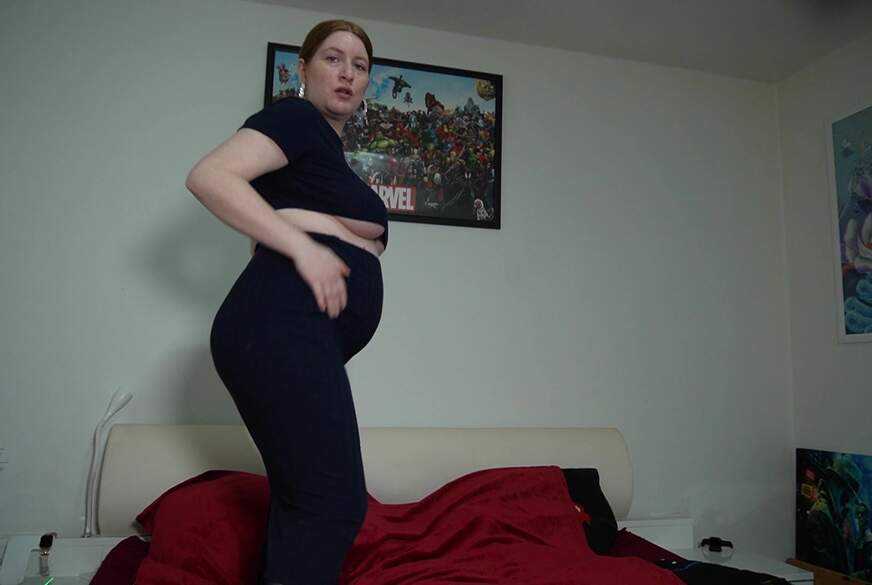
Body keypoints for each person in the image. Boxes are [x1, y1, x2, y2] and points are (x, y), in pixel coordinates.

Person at [184, 19, 387, 585]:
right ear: (302, 68)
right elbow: (210, 177)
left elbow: (270, 219)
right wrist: (302, 247)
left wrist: (301, 230)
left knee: (306, 500)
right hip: (280, 324)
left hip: (294, 329)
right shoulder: (297, 118)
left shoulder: (322, 153)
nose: (347, 73)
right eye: (332, 58)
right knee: (333, 503)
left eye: (360, 66)